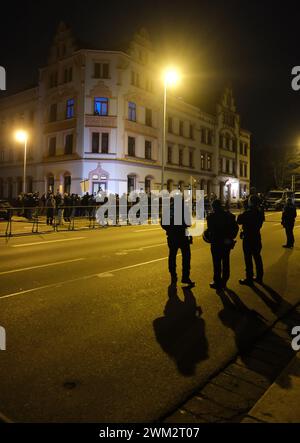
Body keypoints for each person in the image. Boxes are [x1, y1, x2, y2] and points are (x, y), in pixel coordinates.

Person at [161, 195, 194, 287]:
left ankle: (173, 276)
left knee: (172, 256)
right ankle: (185, 277)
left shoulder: (168, 209)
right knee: (186, 257)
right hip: (183, 236)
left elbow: (163, 223)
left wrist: (169, 230)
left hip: (172, 237)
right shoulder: (184, 208)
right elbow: (189, 223)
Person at [206, 199, 239, 289]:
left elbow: (210, 231)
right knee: (226, 261)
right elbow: (235, 228)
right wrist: (230, 238)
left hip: (216, 243)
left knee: (216, 263)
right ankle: (224, 281)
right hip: (226, 242)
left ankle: (217, 281)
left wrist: (209, 238)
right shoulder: (229, 216)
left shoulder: (211, 217)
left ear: (213, 207)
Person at [237, 195, 265, 285]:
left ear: (251, 202)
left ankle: (249, 278)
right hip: (257, 236)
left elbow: (239, 220)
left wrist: (244, 209)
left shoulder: (248, 212)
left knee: (248, 258)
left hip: (248, 237)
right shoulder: (260, 212)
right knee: (257, 257)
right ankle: (259, 277)